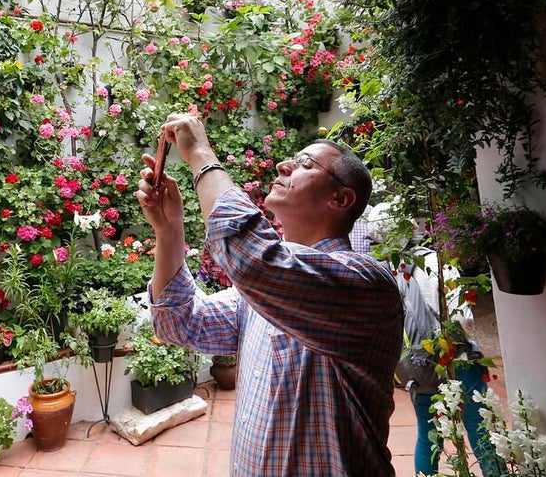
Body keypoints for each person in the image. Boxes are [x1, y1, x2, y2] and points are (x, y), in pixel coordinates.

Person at [135, 113, 403, 476]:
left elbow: (253, 259)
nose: (283, 164)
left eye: (305, 163)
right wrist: (169, 232)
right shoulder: (263, 291)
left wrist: (200, 152)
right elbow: (180, 323)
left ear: (340, 198)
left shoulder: (365, 283)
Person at [391, 246, 504, 477]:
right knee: (479, 428)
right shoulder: (440, 262)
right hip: (457, 360)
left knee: (428, 435)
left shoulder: (393, 269)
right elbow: (462, 319)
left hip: (420, 367)